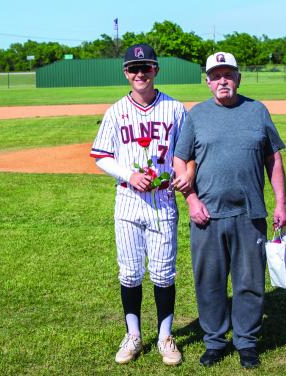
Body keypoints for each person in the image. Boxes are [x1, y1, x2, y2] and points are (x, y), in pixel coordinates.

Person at [173, 51, 286, 369]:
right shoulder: (196, 115)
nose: (222, 80)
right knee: (209, 281)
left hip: (249, 214)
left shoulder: (257, 111)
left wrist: (281, 203)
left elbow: (274, 159)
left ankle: (247, 342)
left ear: (238, 78)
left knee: (249, 281)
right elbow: (180, 160)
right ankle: (214, 341)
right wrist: (191, 200)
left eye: (228, 74)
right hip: (206, 216)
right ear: (208, 82)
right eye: (216, 75)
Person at [90, 43, 193, 366]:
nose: (139, 73)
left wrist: (187, 175)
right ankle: (133, 334)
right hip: (128, 201)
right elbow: (100, 155)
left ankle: (165, 336)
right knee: (131, 273)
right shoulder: (116, 111)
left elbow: (188, 152)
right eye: (133, 69)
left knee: (163, 274)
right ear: (125, 73)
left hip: (163, 201)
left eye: (145, 67)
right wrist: (128, 175)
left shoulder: (175, 109)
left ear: (156, 70)